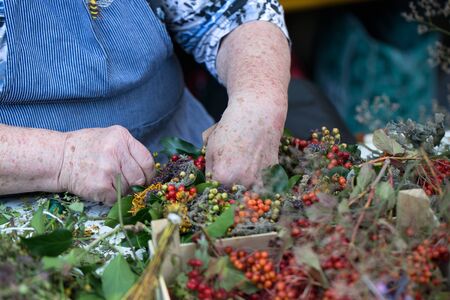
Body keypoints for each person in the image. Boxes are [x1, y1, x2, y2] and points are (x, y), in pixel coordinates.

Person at [0, 0, 290, 204]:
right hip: (32, 200)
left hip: (188, 161)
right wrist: (64, 159)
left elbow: (235, 9)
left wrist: (257, 101)